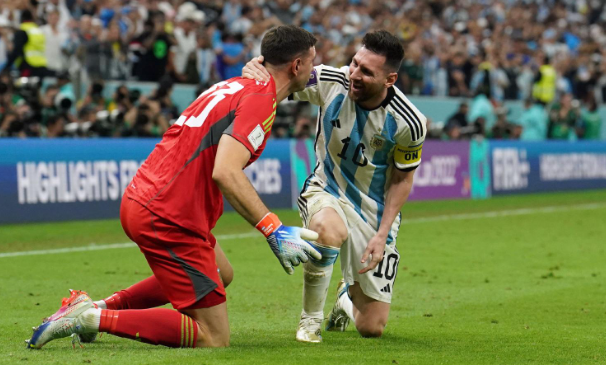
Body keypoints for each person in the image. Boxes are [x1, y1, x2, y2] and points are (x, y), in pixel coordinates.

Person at [26, 25, 321, 350]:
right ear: (297, 66)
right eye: (312, 61)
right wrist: (273, 229)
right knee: (213, 336)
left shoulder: (235, 84)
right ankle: (89, 319)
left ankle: (97, 308)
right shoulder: (260, 99)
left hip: (147, 196)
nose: (314, 69)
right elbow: (225, 171)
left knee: (221, 272)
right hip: (168, 213)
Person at [242, 30, 427, 342]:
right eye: (354, 63)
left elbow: (402, 179)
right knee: (328, 231)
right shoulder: (330, 80)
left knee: (372, 327)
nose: (354, 74)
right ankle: (309, 322)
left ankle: (344, 296)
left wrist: (381, 235)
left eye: (366, 72)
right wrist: (256, 69)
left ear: (390, 79)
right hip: (325, 189)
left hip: (373, 212)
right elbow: (282, 77)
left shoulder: (410, 122)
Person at [0, 10, 50, 78]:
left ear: (21, 19)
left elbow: (17, 50)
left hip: (28, 65)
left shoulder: (22, 31)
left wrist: (7, 66)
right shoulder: (38, 30)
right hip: (42, 63)